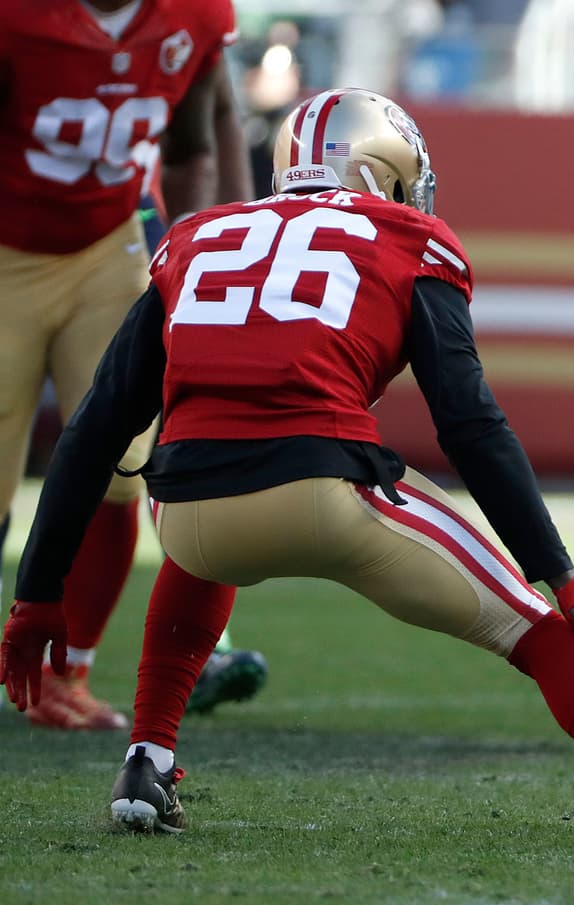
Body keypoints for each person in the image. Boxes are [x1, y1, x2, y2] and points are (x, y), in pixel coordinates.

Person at [0, 87, 574, 856]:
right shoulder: (410, 237)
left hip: (187, 510)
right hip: (324, 488)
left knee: (201, 524)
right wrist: (567, 580)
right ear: (385, 171)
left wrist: (34, 596)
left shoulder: (194, 237)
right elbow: (470, 424)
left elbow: (95, 428)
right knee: (537, 629)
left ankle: (146, 762)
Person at [0, 0, 268, 729]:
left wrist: (206, 249)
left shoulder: (193, 16)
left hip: (107, 245)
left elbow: (193, 144)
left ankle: (66, 675)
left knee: (119, 467)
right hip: (7, 246)